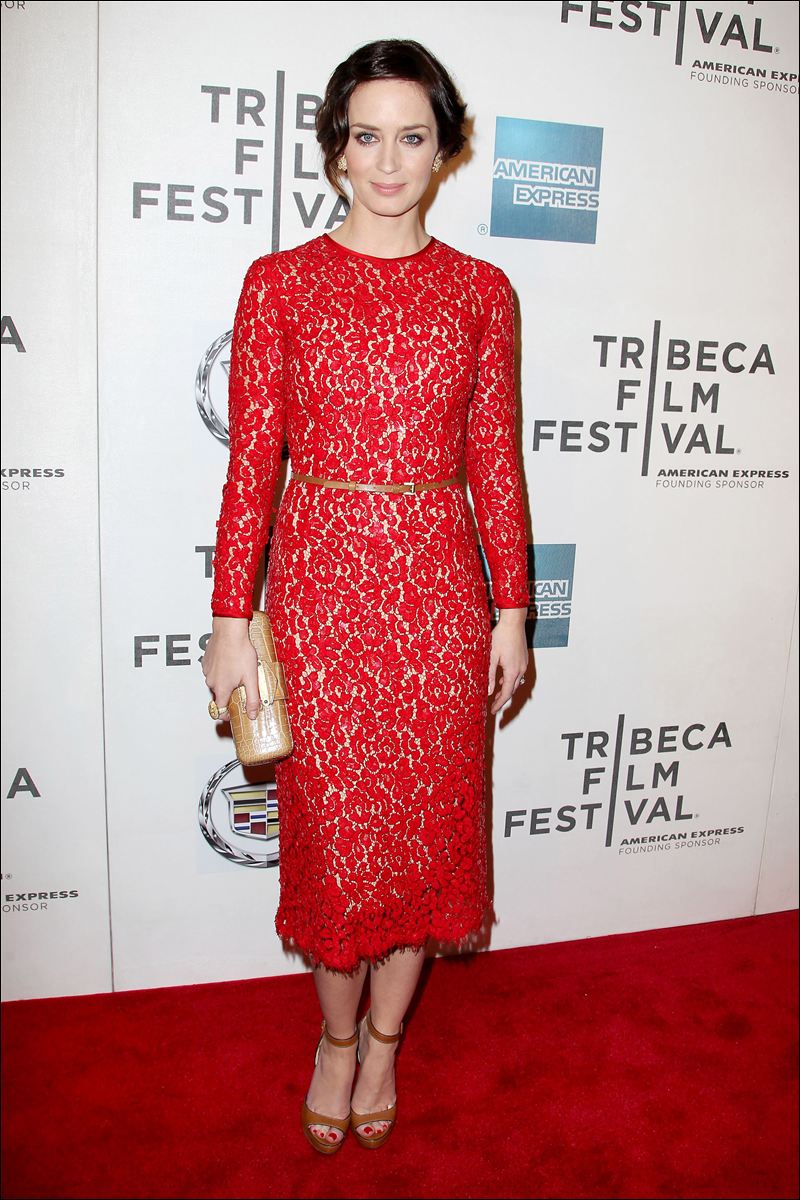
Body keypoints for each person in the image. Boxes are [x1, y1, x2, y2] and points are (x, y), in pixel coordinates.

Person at [201, 37, 530, 1154]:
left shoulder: (481, 293)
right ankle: (334, 1042)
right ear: (336, 148)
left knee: (425, 841)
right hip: (318, 598)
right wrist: (230, 621)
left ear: (445, 151)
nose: (387, 162)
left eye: (412, 137)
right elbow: (251, 466)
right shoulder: (279, 284)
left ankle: (384, 1043)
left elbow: (494, 464)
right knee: (338, 847)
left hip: (439, 601)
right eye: (366, 136)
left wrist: (512, 611)